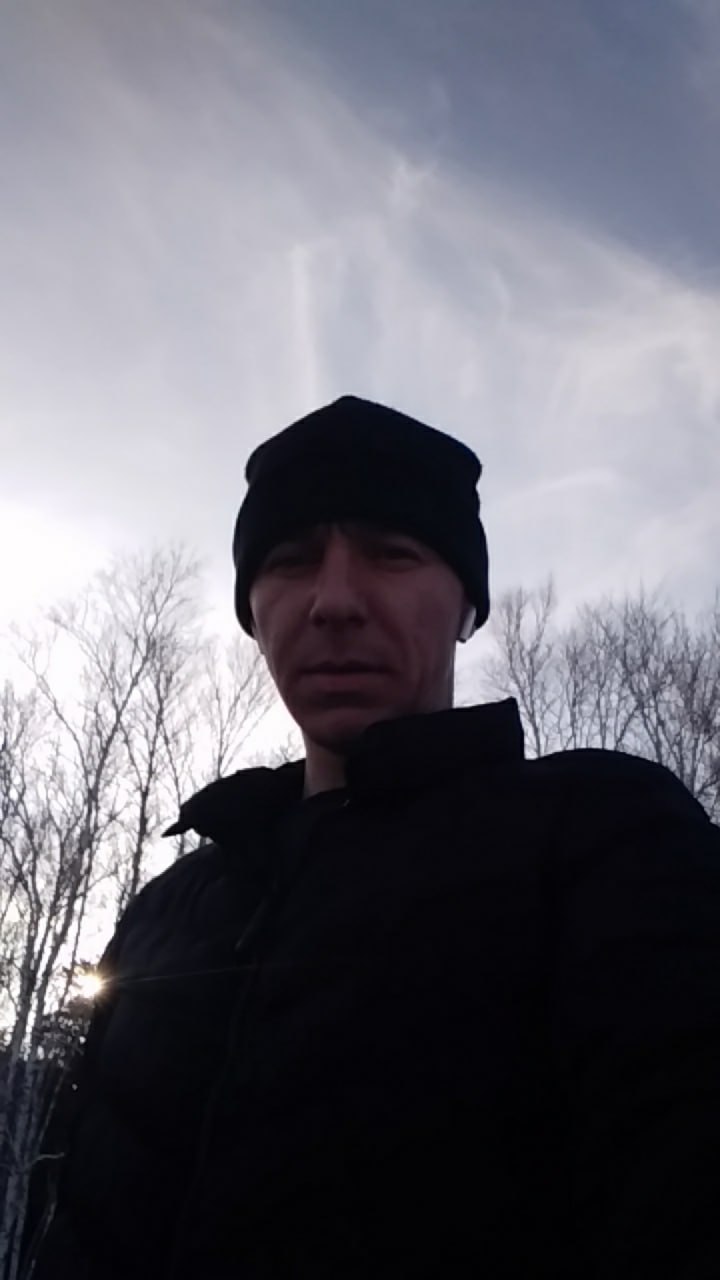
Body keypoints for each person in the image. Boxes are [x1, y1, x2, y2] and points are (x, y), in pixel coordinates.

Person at [30, 396, 720, 1279]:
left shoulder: (605, 836)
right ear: (252, 611)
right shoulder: (168, 911)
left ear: (467, 605)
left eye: (392, 553)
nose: (334, 601)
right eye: (290, 561)